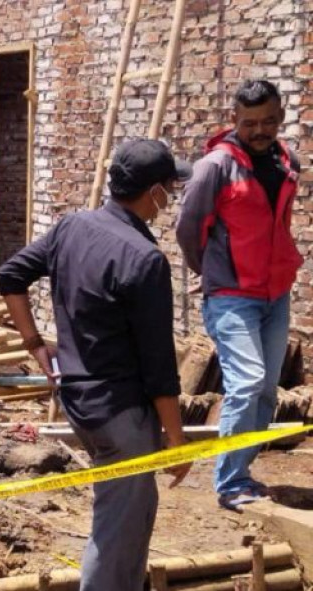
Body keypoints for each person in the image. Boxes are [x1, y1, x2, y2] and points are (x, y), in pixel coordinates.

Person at [0, 139, 193, 591]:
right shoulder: (144, 260)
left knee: (133, 516)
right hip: (121, 415)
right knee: (118, 533)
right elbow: (159, 364)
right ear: (154, 193)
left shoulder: (72, 227)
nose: (170, 197)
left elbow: (10, 277)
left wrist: (35, 345)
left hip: (79, 403)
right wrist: (177, 440)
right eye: (169, 188)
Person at [175, 80, 301, 511]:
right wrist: (208, 271)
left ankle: (243, 473)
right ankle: (229, 484)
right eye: (250, 123)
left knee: (267, 388)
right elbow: (188, 229)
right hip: (231, 295)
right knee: (246, 382)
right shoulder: (215, 167)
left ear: (280, 117)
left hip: (275, 293)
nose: (259, 130)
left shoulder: (286, 162)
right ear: (234, 120)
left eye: (268, 120)